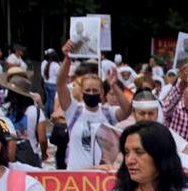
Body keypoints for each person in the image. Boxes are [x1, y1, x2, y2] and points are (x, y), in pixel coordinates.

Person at [57, 41, 132, 170]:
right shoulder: (73, 111)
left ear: (102, 93)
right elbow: (61, 84)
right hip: (75, 178)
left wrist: (114, 85)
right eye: (88, 90)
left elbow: (126, 110)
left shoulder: (108, 113)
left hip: (99, 180)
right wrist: (68, 58)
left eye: (95, 91)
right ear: (81, 92)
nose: (91, 93)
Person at [0, 68, 48, 166]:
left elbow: (2, 132)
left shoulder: (1, 110)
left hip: (7, 154)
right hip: (30, 155)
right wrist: (44, 153)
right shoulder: (36, 111)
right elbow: (42, 139)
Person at [41, 48, 60, 118]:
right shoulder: (56, 65)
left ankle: (46, 116)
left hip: (46, 83)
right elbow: (59, 75)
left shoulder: (46, 63)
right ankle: (52, 116)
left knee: (48, 100)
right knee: (53, 101)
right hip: (53, 85)